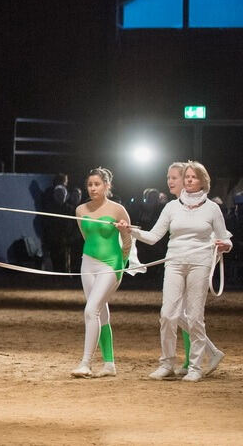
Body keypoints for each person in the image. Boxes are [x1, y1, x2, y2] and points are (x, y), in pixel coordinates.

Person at [117, 161, 232, 382]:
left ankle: (196, 367)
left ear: (202, 181)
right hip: (174, 263)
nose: (189, 180)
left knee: (196, 316)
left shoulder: (212, 208)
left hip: (200, 263)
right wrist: (130, 230)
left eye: (193, 177)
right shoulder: (171, 207)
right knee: (168, 315)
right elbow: (153, 237)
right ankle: (167, 364)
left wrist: (225, 245)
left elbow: (225, 238)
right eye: (186, 177)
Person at [71, 167, 134, 379]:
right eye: (90, 184)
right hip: (87, 264)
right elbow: (86, 236)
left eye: (97, 184)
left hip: (111, 264)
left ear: (107, 186)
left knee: (91, 311)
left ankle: (85, 363)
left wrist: (121, 265)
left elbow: (127, 240)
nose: (93, 188)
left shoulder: (118, 210)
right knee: (101, 313)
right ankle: (109, 364)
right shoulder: (81, 210)